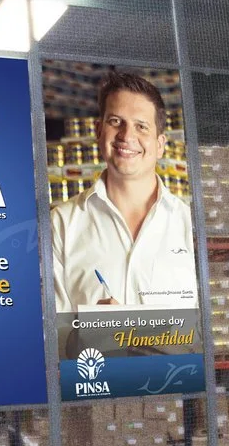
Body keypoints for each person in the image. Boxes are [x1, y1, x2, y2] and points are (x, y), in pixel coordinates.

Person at [48, 69, 197, 312]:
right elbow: (53, 335)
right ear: (98, 131)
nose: (127, 136)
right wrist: (88, 330)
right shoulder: (62, 223)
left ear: (160, 145)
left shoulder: (190, 224)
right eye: (116, 121)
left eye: (141, 126)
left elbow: (208, 330)